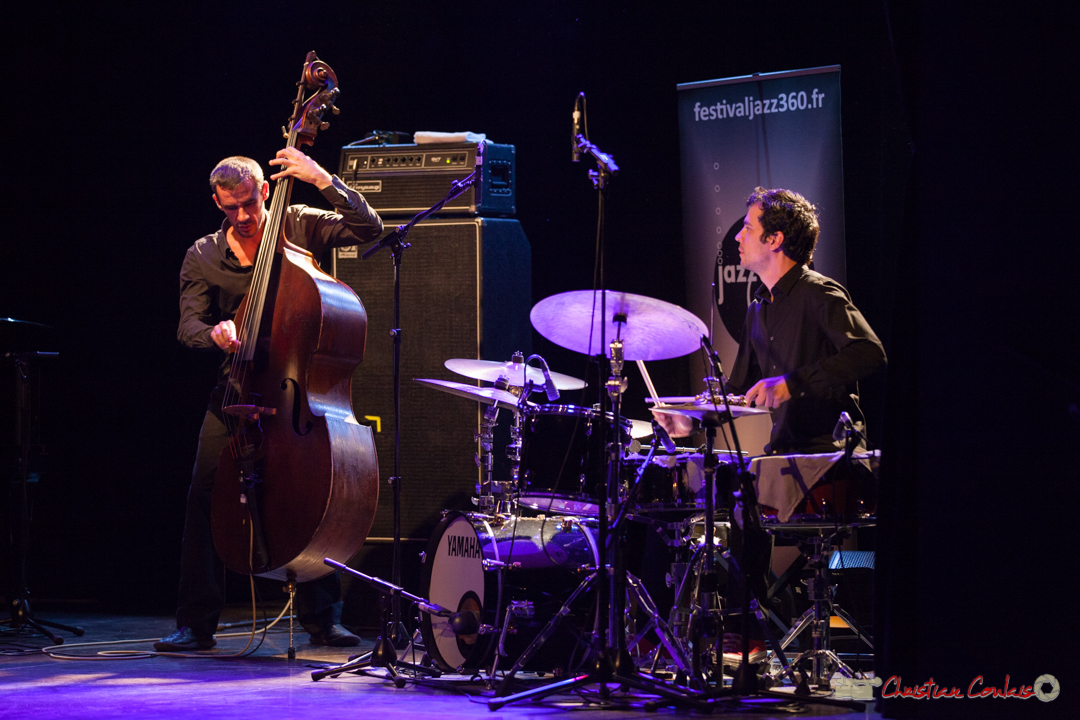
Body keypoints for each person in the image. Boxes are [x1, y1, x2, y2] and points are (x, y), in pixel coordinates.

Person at [156, 149, 383, 652]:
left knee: (311, 490)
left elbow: (370, 230)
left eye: (249, 204)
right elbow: (187, 326)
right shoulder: (202, 254)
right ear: (217, 200)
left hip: (296, 389)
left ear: (264, 191)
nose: (241, 217)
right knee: (204, 494)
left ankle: (324, 618)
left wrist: (322, 179)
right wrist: (213, 333)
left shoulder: (297, 224)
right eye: (229, 207)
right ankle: (196, 623)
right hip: (237, 389)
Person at [655, 186, 886, 453]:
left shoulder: (818, 292)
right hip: (784, 456)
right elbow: (739, 391)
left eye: (747, 228)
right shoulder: (757, 308)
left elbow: (870, 353)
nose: (738, 237)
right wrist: (691, 421)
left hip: (831, 457)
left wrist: (792, 383)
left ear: (774, 239)